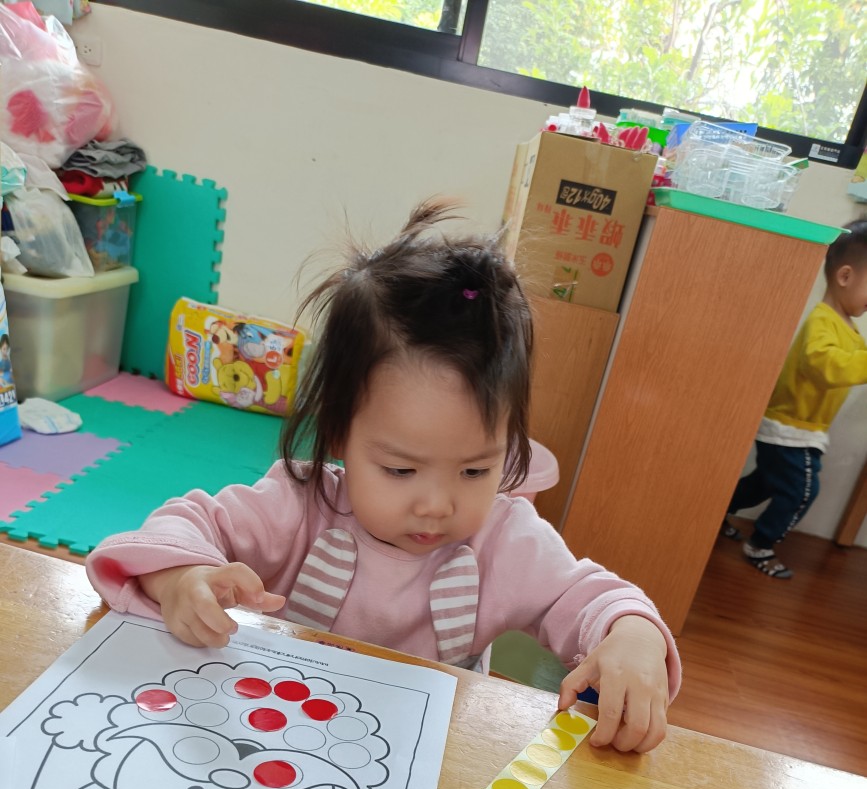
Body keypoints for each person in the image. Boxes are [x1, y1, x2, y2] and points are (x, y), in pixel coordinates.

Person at [86, 200, 680, 754]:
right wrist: (181, 578)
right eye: (400, 469)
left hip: (425, 755)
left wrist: (632, 636)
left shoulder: (504, 538)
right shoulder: (299, 504)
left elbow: (590, 596)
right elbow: (180, 527)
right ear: (338, 433)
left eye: (476, 469)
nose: (437, 504)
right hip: (277, 731)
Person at [723, 218, 867, 578]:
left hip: (799, 428)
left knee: (765, 483)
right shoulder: (822, 321)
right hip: (790, 429)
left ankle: (717, 510)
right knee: (802, 492)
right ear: (845, 276)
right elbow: (825, 366)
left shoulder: (845, 325)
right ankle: (761, 544)